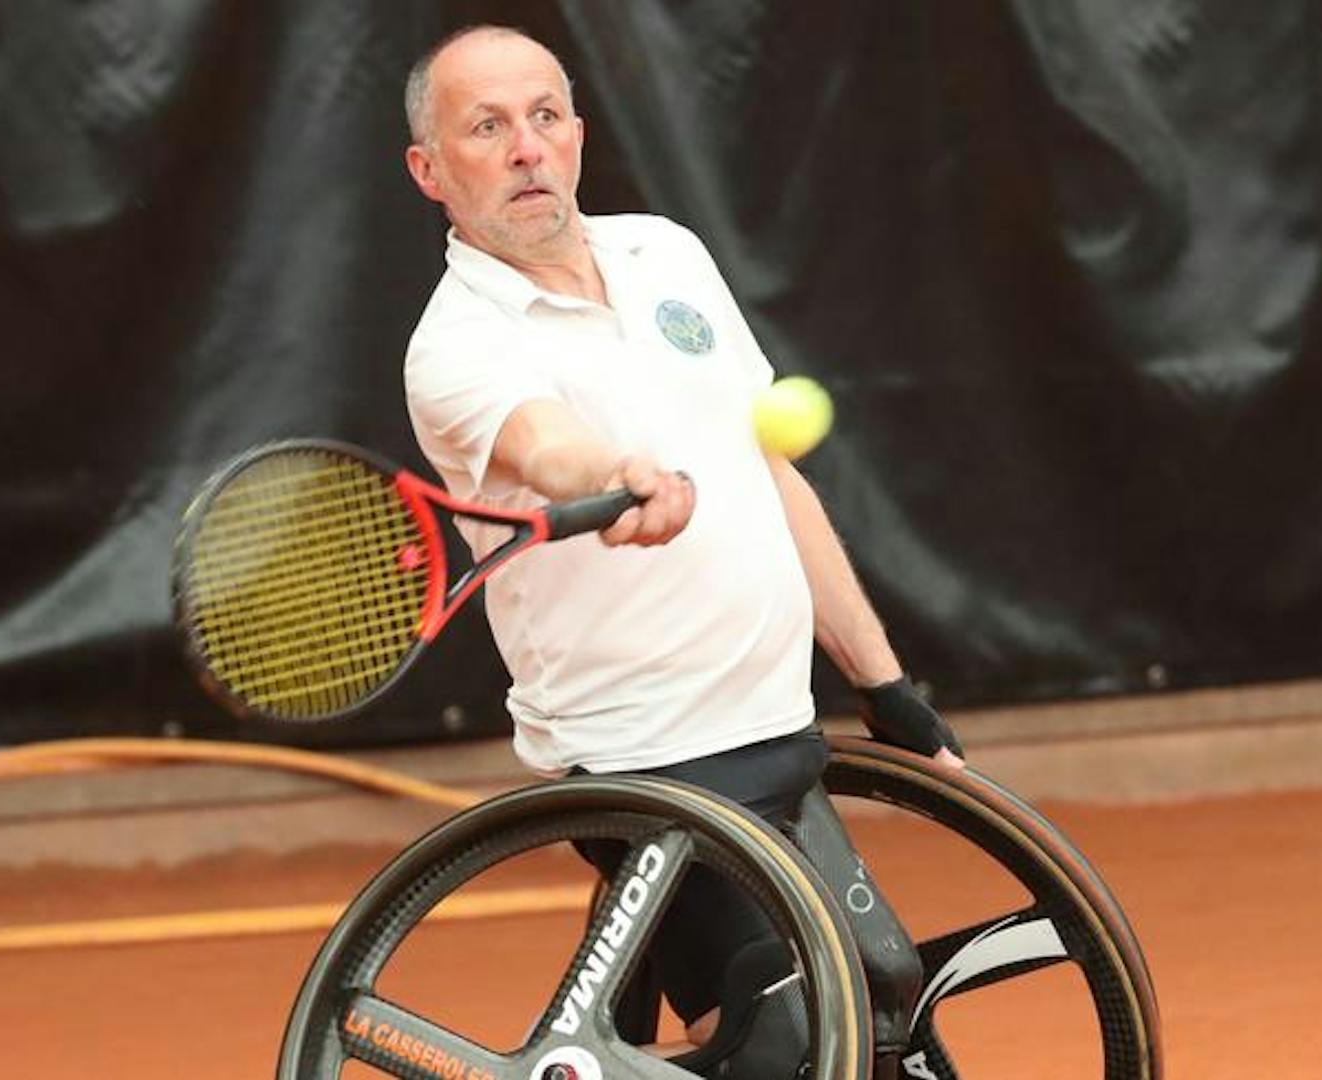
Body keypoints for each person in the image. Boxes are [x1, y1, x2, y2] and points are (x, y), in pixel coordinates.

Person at [400, 24, 964, 1078]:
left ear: (575, 134)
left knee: (892, 1037)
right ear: (431, 171)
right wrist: (616, 473)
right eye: (486, 127)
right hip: (644, 770)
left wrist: (885, 687)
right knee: (794, 1041)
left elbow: (772, 474)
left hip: (777, 741)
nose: (525, 148)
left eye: (543, 116)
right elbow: (544, 445)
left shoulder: (668, 254)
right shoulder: (456, 347)